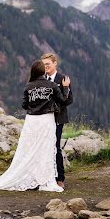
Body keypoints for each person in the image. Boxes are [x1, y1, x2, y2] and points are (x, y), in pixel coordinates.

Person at [0, 60, 71, 192]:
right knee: (45, 148)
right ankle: (44, 179)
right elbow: (63, 100)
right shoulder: (51, 85)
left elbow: (24, 105)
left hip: (32, 121)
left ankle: (30, 177)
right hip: (46, 121)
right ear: (43, 71)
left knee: (29, 148)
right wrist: (66, 87)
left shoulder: (29, 86)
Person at [41, 53, 73, 188]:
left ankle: (60, 178)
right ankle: (44, 176)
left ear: (55, 63)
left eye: (48, 64)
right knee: (43, 147)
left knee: (55, 147)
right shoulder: (41, 79)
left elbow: (69, 100)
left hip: (57, 119)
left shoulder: (63, 79)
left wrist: (64, 89)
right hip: (43, 119)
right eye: (43, 64)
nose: (46, 66)